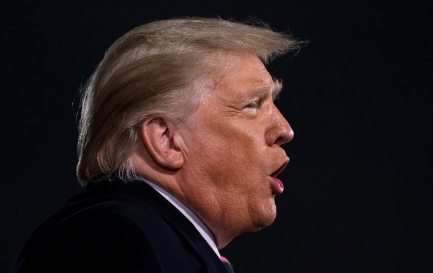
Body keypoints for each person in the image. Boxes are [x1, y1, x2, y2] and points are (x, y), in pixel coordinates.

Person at [12, 17, 299, 273]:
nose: (285, 130)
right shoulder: (113, 239)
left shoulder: (157, 241)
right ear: (166, 139)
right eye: (251, 105)